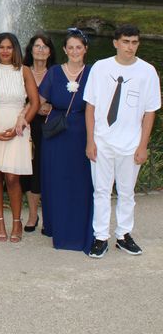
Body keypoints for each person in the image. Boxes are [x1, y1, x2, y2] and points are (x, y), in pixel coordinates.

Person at [84, 25, 161, 258]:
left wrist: (143, 145)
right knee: (101, 190)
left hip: (131, 142)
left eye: (134, 42)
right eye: (126, 41)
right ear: (116, 43)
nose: (130, 47)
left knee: (127, 192)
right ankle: (100, 237)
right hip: (102, 141)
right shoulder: (100, 68)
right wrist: (90, 140)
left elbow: (150, 111)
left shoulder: (147, 71)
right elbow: (90, 107)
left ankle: (124, 235)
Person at [0, 32, 39, 243]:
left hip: (17, 127)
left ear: (15, 50)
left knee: (12, 177)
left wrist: (22, 123)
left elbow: (35, 103)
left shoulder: (25, 71)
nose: (5, 51)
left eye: (9, 47)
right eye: (1, 47)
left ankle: (18, 221)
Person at [39, 28, 93, 253]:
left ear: (85, 50)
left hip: (83, 134)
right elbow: (39, 102)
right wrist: (45, 110)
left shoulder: (93, 72)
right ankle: (58, 228)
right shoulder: (54, 72)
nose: (74, 51)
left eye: (78, 47)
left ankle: (81, 229)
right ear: (64, 50)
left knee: (82, 183)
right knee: (57, 182)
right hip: (57, 137)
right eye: (70, 47)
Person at [21, 34, 57, 232]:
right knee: (28, 170)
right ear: (31, 49)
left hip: (49, 128)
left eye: (45, 46)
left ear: (50, 51)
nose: (40, 50)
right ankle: (33, 215)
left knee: (46, 170)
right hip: (27, 126)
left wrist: (50, 106)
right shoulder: (23, 72)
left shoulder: (57, 73)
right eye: (37, 46)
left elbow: (64, 100)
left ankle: (49, 216)